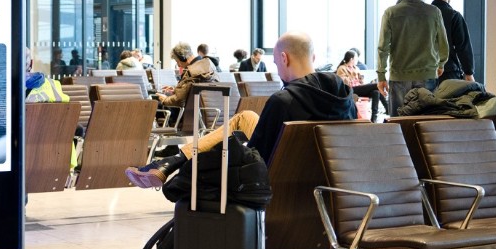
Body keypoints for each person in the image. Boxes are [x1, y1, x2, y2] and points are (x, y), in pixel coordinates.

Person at [127, 32, 356, 188]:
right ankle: (173, 161)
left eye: (276, 63)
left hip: (282, 182)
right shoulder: (345, 96)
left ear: (284, 58)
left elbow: (259, 158)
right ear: (313, 57)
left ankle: (173, 161)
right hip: (330, 181)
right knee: (246, 117)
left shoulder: (283, 102)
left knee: (241, 123)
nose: (277, 68)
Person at [378, 0, 448, 116]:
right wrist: (441, 64)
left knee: (399, 123)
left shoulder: (390, 13)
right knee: (426, 123)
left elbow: (383, 48)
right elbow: (443, 44)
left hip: (399, 76)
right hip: (427, 74)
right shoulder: (434, 12)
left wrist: (381, 76)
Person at [431, 0, 475, 83]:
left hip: (425, 72)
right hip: (448, 72)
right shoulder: (454, 16)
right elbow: (463, 46)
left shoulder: (424, 16)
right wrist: (469, 73)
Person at [336, 49, 383, 122]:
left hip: (359, 88)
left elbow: (360, 82)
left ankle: (374, 118)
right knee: (377, 85)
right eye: (356, 58)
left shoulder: (356, 68)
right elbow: (342, 81)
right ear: (352, 59)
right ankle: (387, 108)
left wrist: (361, 79)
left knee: (376, 92)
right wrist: (352, 76)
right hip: (351, 89)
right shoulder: (342, 68)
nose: (357, 60)